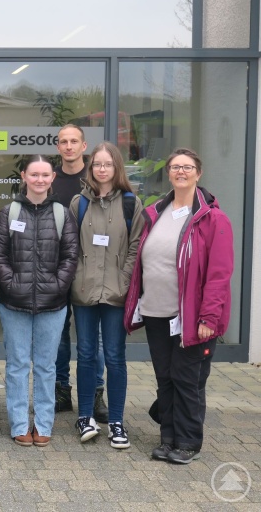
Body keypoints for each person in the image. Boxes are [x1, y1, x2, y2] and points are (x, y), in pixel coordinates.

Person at [124, 148, 233, 464]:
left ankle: (188, 442)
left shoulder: (213, 219)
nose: (181, 172)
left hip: (192, 316)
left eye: (187, 167)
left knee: (188, 379)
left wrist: (209, 316)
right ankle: (168, 438)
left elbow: (219, 273)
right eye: (175, 167)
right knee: (166, 377)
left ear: (198, 173)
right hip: (157, 311)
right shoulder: (155, 212)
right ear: (168, 173)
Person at [0, 154, 78, 447]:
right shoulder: (9, 213)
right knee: (16, 365)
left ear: (52, 178)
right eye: (34, 174)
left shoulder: (62, 214)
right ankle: (19, 423)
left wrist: (57, 286)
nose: (39, 180)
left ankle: (43, 424)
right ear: (24, 176)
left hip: (53, 304)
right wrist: (11, 284)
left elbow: (70, 256)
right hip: (13, 303)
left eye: (45, 175)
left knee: (45, 366)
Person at [69, 142, 143, 448]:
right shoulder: (79, 203)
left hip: (116, 294)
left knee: (115, 357)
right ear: (91, 168)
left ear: (117, 168)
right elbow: (70, 247)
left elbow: (136, 247)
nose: (102, 169)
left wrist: (124, 282)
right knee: (86, 355)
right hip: (84, 292)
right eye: (97, 164)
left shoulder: (129, 203)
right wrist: (74, 279)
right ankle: (85, 417)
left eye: (107, 164)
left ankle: (115, 421)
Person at [52, 124, 108, 421]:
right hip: (57, 268)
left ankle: (96, 392)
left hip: (90, 269)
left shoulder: (97, 178)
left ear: (84, 146)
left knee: (92, 337)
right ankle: (62, 390)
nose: (69, 146)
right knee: (59, 334)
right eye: (64, 142)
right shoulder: (50, 180)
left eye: (74, 141)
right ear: (58, 146)